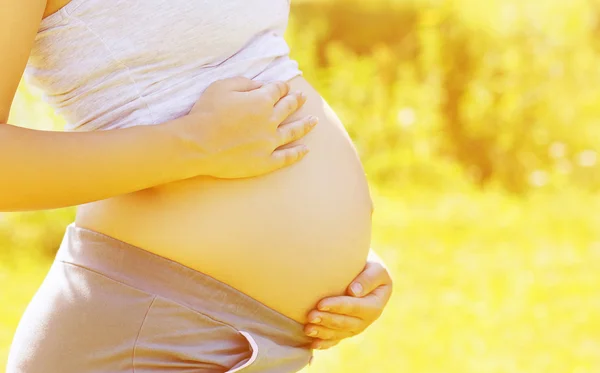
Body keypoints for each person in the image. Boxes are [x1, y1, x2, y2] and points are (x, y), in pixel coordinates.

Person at [2, 0, 394, 372]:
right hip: (145, 334)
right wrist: (194, 144)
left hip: (256, 337)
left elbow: (247, 66)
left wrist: (338, 255)